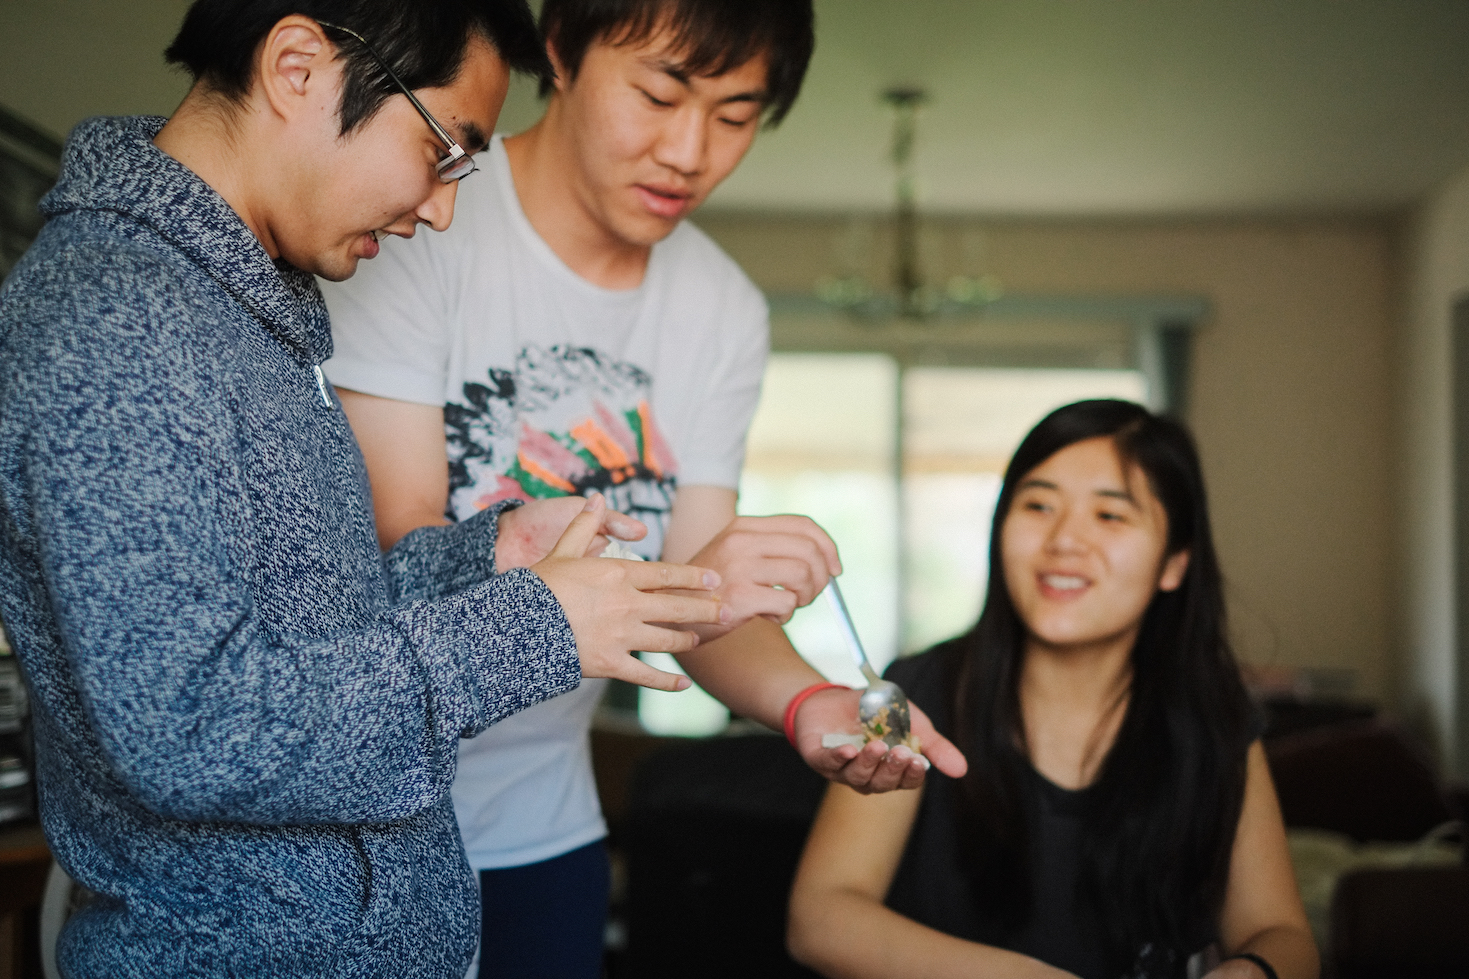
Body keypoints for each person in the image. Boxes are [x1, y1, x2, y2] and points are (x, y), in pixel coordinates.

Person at [0, 1, 754, 975]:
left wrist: (485, 557)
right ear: (298, 66)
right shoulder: (120, 317)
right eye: (443, 147)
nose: (442, 207)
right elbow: (195, 729)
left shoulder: (225, 304)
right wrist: (528, 628)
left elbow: (305, 633)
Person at [318, 0, 966, 974]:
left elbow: (702, 597)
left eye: (734, 115)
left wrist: (807, 705)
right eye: (659, 94)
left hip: (543, 833)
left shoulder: (719, 310)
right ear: (561, 52)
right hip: (359, 838)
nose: (688, 150)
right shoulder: (421, 212)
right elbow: (398, 549)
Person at [788, 400, 1319, 979]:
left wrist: (1253, 971)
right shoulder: (918, 693)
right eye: (1038, 505)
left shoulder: (1213, 715)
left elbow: (1283, 934)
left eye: (1110, 516)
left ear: (1174, 563)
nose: (1065, 540)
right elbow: (822, 917)